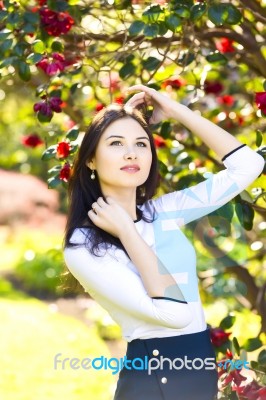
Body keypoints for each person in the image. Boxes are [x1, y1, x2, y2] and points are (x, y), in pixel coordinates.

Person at [63, 84, 264, 400]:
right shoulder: (84, 245)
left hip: (197, 372)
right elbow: (175, 313)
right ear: (90, 160)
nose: (132, 152)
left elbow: (249, 166)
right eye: (116, 143)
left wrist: (173, 109)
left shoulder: (163, 212)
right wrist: (127, 233)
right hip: (154, 380)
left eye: (141, 143)